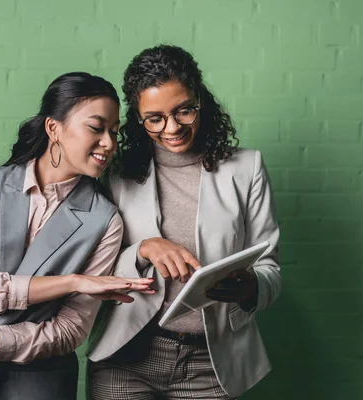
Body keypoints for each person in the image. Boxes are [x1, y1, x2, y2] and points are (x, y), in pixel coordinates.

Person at [0, 72, 155, 400]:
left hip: (40, 386)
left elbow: (71, 329)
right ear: (54, 128)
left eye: (114, 132)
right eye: (96, 127)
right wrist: (71, 282)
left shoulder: (105, 221)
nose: (109, 143)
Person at [86, 45, 282, 399]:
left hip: (212, 361)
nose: (172, 128)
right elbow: (88, 268)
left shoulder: (247, 168)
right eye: (155, 118)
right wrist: (143, 250)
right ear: (138, 118)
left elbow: (270, 266)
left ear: (200, 101)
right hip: (125, 356)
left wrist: (251, 286)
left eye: (184, 111)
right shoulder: (114, 173)